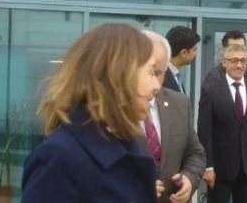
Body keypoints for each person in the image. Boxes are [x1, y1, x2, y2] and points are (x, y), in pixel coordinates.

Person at [21, 24, 161, 203]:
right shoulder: (60, 157)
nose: (157, 86)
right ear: (119, 74)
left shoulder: (130, 146)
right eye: (151, 72)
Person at [197, 43, 247, 203]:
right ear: (224, 63)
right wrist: (207, 166)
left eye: (243, 61)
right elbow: (204, 133)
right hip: (220, 169)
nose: (239, 65)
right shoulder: (211, 91)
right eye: (234, 60)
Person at [141, 30, 206, 203]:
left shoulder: (180, 103)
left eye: (159, 73)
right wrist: (135, 187)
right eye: (149, 72)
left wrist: (189, 179)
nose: (155, 83)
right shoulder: (110, 111)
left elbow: (195, 154)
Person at [164, 26, 201, 94]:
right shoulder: (161, 77)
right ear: (184, 53)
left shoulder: (176, 75)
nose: (196, 54)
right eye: (194, 50)